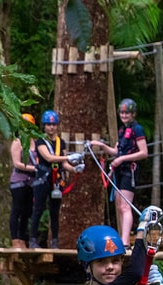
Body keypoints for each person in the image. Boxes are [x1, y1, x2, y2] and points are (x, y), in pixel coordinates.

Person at [89, 98, 149, 245]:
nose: (124, 115)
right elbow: (116, 151)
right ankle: (123, 237)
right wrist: (102, 146)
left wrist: (123, 159)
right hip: (120, 171)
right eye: (122, 113)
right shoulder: (122, 130)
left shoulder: (137, 129)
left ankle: (125, 240)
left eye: (127, 113)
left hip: (130, 170)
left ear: (133, 114)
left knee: (125, 206)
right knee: (119, 206)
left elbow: (143, 152)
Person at [28, 110, 80, 249]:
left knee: (54, 211)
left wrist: (75, 169)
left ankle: (55, 241)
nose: (51, 127)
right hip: (43, 178)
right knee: (38, 208)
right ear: (44, 126)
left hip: (56, 180)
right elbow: (49, 158)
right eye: (48, 124)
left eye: (53, 124)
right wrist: (68, 157)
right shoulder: (40, 141)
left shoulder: (60, 142)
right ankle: (33, 239)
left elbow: (64, 164)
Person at [8, 113, 38, 249]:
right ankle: (15, 240)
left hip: (32, 182)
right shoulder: (17, 142)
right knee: (17, 210)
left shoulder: (36, 143)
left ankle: (22, 239)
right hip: (19, 181)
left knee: (27, 211)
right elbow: (17, 163)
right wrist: (35, 168)